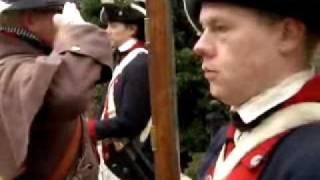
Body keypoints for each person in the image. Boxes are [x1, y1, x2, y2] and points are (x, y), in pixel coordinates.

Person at [184, 0, 320, 180]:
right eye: (202, 30)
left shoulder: (313, 154)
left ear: (288, 34)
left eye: (220, 28)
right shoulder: (227, 137)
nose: (199, 47)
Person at [0, 0, 113, 179]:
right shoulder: (8, 65)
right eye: (60, 12)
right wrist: (78, 36)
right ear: (31, 20)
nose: (68, 18)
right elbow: (68, 95)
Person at [87, 0, 153, 179]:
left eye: (113, 26)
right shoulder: (126, 60)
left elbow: (131, 121)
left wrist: (90, 129)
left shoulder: (139, 63)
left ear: (132, 29)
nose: (107, 31)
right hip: (116, 162)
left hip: (129, 164)